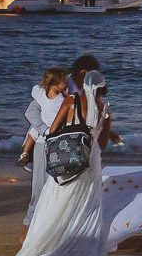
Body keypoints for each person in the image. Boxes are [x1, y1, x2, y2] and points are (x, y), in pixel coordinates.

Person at [0, 70, 109, 256]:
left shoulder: (71, 101)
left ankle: (47, 242)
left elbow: (53, 131)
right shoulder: (104, 109)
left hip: (70, 160)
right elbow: (103, 143)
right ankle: (78, 245)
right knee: (84, 206)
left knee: (56, 202)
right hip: (91, 163)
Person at [21, 55, 99, 237]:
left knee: (61, 190)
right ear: (84, 72)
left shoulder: (79, 89)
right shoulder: (60, 85)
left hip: (68, 146)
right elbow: (32, 111)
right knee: (41, 189)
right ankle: (27, 233)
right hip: (47, 143)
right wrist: (46, 131)